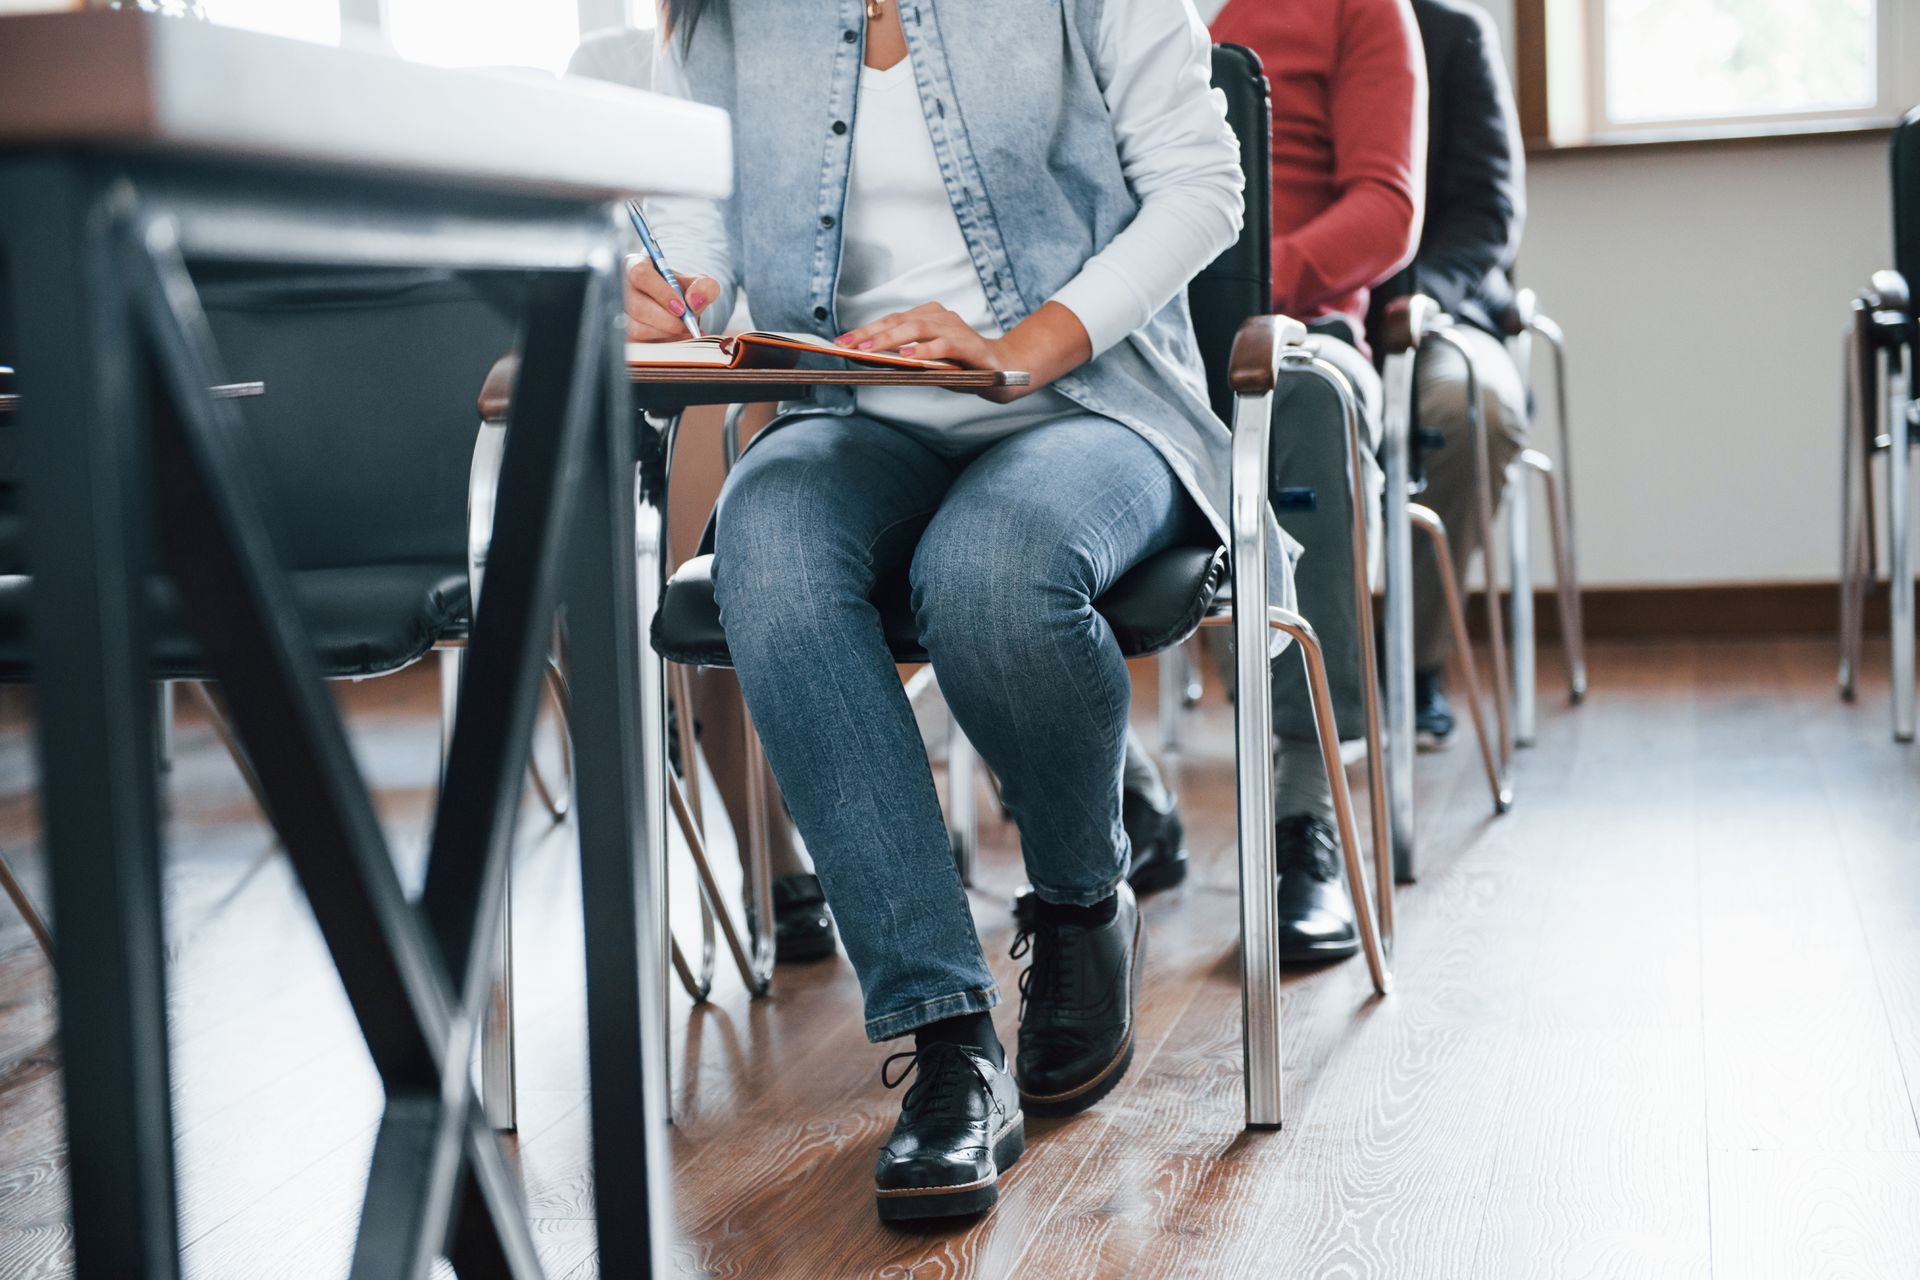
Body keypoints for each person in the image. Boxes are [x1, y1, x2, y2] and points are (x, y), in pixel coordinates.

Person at [637, 0, 1278, 1223]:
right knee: (763, 549)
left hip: (1087, 404)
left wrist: (1019, 346)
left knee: (988, 574)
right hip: (847, 419)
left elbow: (1204, 189)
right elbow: (694, 242)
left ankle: (1083, 896)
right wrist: (681, 299)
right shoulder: (716, 19)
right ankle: (947, 1044)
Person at [1132, 0, 1425, 959]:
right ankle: (1115, 796)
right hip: (1118, 332)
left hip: (1291, 329)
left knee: (1303, 404)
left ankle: (1306, 821)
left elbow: (1386, 206)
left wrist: (1247, 279)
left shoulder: (1357, 7)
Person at [1399, 0, 1529, 748]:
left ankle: (1415, 661)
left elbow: (1488, 212)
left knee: (1471, 411)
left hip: (1444, 310)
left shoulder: (1454, 32)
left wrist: (1415, 297)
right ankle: (1307, 688)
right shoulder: (1262, 25)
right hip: (1310, 309)